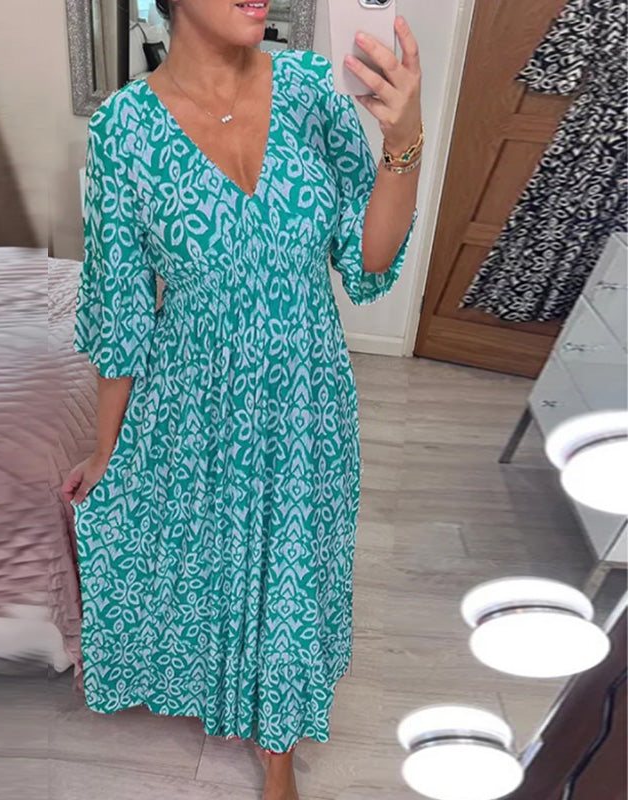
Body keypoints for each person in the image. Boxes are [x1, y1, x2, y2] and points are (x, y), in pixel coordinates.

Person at [62, 2, 422, 797]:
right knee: (214, 556)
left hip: (305, 394)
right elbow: (121, 309)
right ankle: (228, 694)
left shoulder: (312, 92)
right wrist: (105, 449)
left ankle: (278, 743)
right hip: (195, 394)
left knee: (292, 564)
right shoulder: (124, 129)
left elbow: (369, 261)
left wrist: (404, 141)